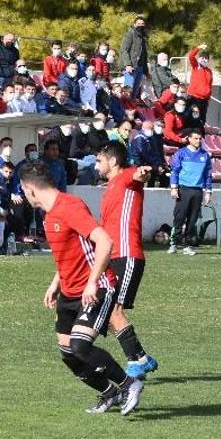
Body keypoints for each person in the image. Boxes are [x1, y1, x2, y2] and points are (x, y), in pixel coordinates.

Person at [17, 160, 143, 416]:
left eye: (23, 191)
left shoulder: (69, 206)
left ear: (29, 189)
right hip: (69, 292)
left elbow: (104, 242)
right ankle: (109, 392)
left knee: (80, 346)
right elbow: (73, 253)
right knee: (68, 354)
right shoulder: (50, 214)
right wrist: (55, 284)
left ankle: (130, 383)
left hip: (96, 288)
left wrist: (92, 282)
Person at [95, 141, 159, 380]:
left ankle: (135, 362)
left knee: (113, 311)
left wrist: (145, 172)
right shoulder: (110, 186)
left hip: (127, 254)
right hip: (111, 256)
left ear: (113, 161)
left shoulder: (126, 177)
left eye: (99, 160)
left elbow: (140, 174)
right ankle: (142, 359)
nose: (96, 164)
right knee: (106, 312)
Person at [168, 129, 212, 254]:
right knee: (179, 217)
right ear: (189, 139)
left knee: (192, 219)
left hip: (197, 190)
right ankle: (174, 243)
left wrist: (208, 191)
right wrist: (173, 188)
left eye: (200, 138)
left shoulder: (204, 155)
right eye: (195, 138)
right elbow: (175, 171)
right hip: (183, 189)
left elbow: (208, 174)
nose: (198, 141)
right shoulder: (181, 153)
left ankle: (187, 245)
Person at [119, 16, 148, 85]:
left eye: (142, 24)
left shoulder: (143, 37)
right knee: (128, 90)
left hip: (140, 68)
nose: (140, 25)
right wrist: (128, 64)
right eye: (138, 23)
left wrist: (146, 71)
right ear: (134, 25)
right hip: (131, 67)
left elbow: (144, 54)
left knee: (135, 91)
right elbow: (124, 50)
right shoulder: (130, 34)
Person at [186, 44, 213, 108]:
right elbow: (191, 56)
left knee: (202, 117)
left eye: (206, 58)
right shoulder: (196, 66)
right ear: (199, 58)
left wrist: (209, 96)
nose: (204, 60)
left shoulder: (209, 71)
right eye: (202, 58)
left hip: (204, 99)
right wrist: (198, 47)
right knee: (193, 116)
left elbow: (210, 84)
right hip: (194, 97)